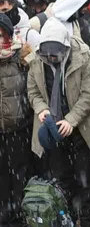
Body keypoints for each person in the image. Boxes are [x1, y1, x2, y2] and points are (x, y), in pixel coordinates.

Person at [27, 18, 90, 226]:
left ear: (65, 47)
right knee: (62, 184)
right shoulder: (36, 60)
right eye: (47, 55)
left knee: (87, 185)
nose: (51, 59)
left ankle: (88, 222)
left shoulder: (84, 56)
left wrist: (71, 120)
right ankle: (66, 221)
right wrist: (42, 108)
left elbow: (89, 95)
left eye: (55, 55)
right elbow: (33, 92)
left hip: (82, 131)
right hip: (53, 131)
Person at [0, 12, 29, 226]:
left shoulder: (23, 56)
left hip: (19, 127)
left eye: (1, 34)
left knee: (19, 173)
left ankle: (19, 213)